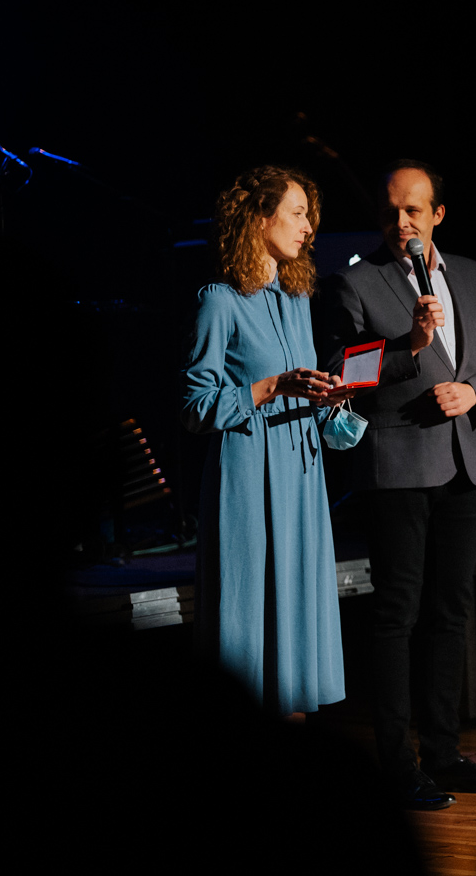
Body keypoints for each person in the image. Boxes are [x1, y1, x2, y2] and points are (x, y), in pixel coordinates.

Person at [314, 159, 476, 810]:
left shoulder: (474, 275)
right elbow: (340, 370)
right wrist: (410, 344)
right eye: (389, 212)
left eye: (412, 210)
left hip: (466, 461)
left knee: (451, 610)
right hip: (399, 467)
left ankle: (443, 753)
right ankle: (396, 763)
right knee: (396, 614)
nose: (400, 222)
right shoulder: (355, 282)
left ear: (437, 215)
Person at [181, 165, 348, 717]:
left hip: (302, 478)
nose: (308, 228)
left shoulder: (297, 299)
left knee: (297, 617)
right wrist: (271, 386)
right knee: (249, 615)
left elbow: (298, 390)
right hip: (249, 477)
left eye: (309, 217)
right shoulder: (220, 301)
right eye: (298, 214)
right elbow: (195, 407)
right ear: (259, 217)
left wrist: (327, 395)